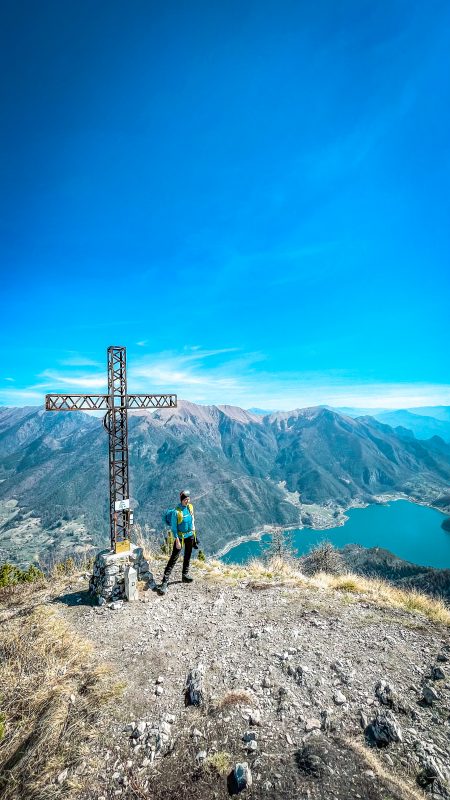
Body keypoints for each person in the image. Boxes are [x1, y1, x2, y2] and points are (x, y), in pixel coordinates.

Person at [158, 490, 196, 595]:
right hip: (180, 537)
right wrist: (177, 540)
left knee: (188, 555)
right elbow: (174, 528)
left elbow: (192, 521)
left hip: (190, 535)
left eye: (188, 498)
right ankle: (164, 582)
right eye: (185, 499)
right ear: (181, 499)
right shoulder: (176, 512)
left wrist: (194, 535)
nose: (187, 501)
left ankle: (185, 575)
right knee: (174, 558)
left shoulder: (190, 507)